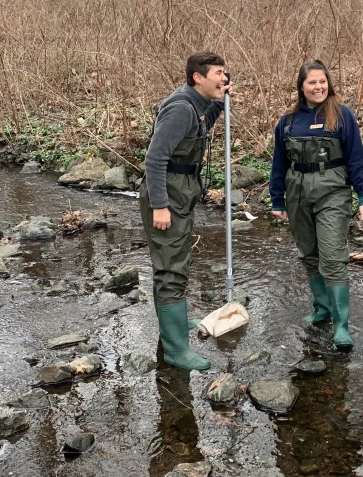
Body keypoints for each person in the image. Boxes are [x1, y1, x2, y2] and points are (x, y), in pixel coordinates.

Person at [269, 59, 363, 350]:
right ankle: (322, 309)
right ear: (301, 87)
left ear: (329, 83)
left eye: (322, 81)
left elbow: (357, 159)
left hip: (333, 193)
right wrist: (277, 199)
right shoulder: (287, 121)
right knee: (308, 254)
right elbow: (278, 163)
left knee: (332, 256)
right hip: (297, 193)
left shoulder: (342, 116)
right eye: (312, 82)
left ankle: (341, 326)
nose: (318, 87)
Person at [138, 51, 230, 371]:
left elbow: (201, 128)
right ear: (198, 78)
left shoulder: (197, 104)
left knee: (170, 263)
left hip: (180, 192)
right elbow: (155, 158)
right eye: (219, 73)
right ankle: (177, 350)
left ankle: (171, 329)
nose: (224, 78)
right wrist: (161, 206)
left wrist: (219, 101)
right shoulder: (180, 109)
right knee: (172, 269)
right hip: (167, 196)